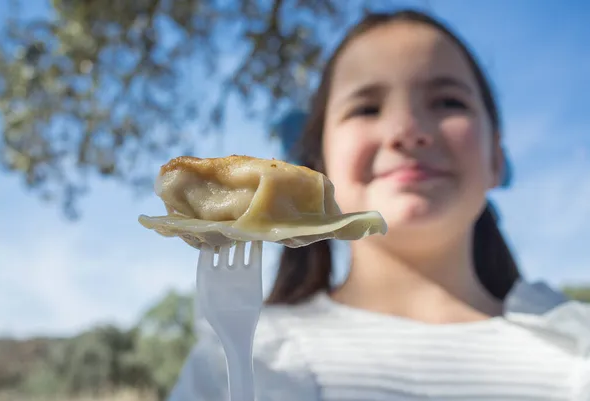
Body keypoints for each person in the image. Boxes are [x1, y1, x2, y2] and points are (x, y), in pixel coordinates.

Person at [168, 9, 590, 401]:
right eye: (367, 107)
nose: (408, 131)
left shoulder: (577, 357)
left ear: (496, 158)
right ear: (318, 166)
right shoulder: (238, 361)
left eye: (448, 102)